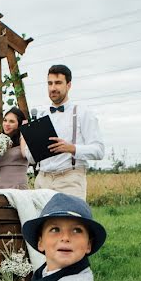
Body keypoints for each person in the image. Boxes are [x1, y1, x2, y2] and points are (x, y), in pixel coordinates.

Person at [33, 65, 105, 200]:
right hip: (42, 180)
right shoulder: (41, 115)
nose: (53, 88)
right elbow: (32, 158)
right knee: (43, 222)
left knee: (70, 220)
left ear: (69, 85)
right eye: (50, 83)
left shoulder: (83, 113)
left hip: (70, 180)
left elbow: (99, 150)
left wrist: (72, 148)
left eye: (58, 83)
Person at [0, 107, 30, 189]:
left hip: (18, 187)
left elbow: (25, 154)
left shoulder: (23, 139)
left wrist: (24, 131)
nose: (7, 124)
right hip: (0, 187)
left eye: (11, 121)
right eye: (5, 120)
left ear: (19, 123)